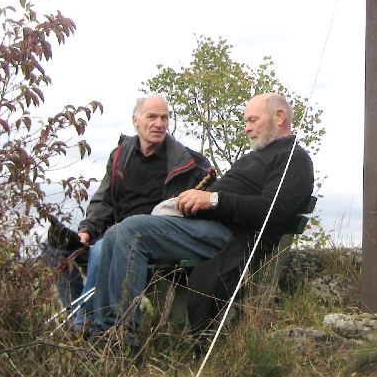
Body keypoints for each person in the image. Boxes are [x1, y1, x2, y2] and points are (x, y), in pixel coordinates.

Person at [88, 92, 314, 343]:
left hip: (231, 237)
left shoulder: (294, 159)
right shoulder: (257, 156)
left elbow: (273, 210)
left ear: (279, 116)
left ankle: (120, 338)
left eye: (252, 120)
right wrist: (191, 201)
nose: (247, 128)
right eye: (246, 121)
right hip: (204, 226)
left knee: (131, 231)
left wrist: (213, 200)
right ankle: (102, 331)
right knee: (115, 231)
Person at [45, 94, 212, 323]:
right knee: (56, 248)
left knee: (105, 247)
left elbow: (206, 201)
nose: (159, 123)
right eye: (152, 116)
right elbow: (104, 200)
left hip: (149, 239)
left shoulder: (187, 162)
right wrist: (86, 231)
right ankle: (78, 315)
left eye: (164, 117)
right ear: (136, 121)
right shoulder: (120, 155)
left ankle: (88, 324)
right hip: (114, 230)